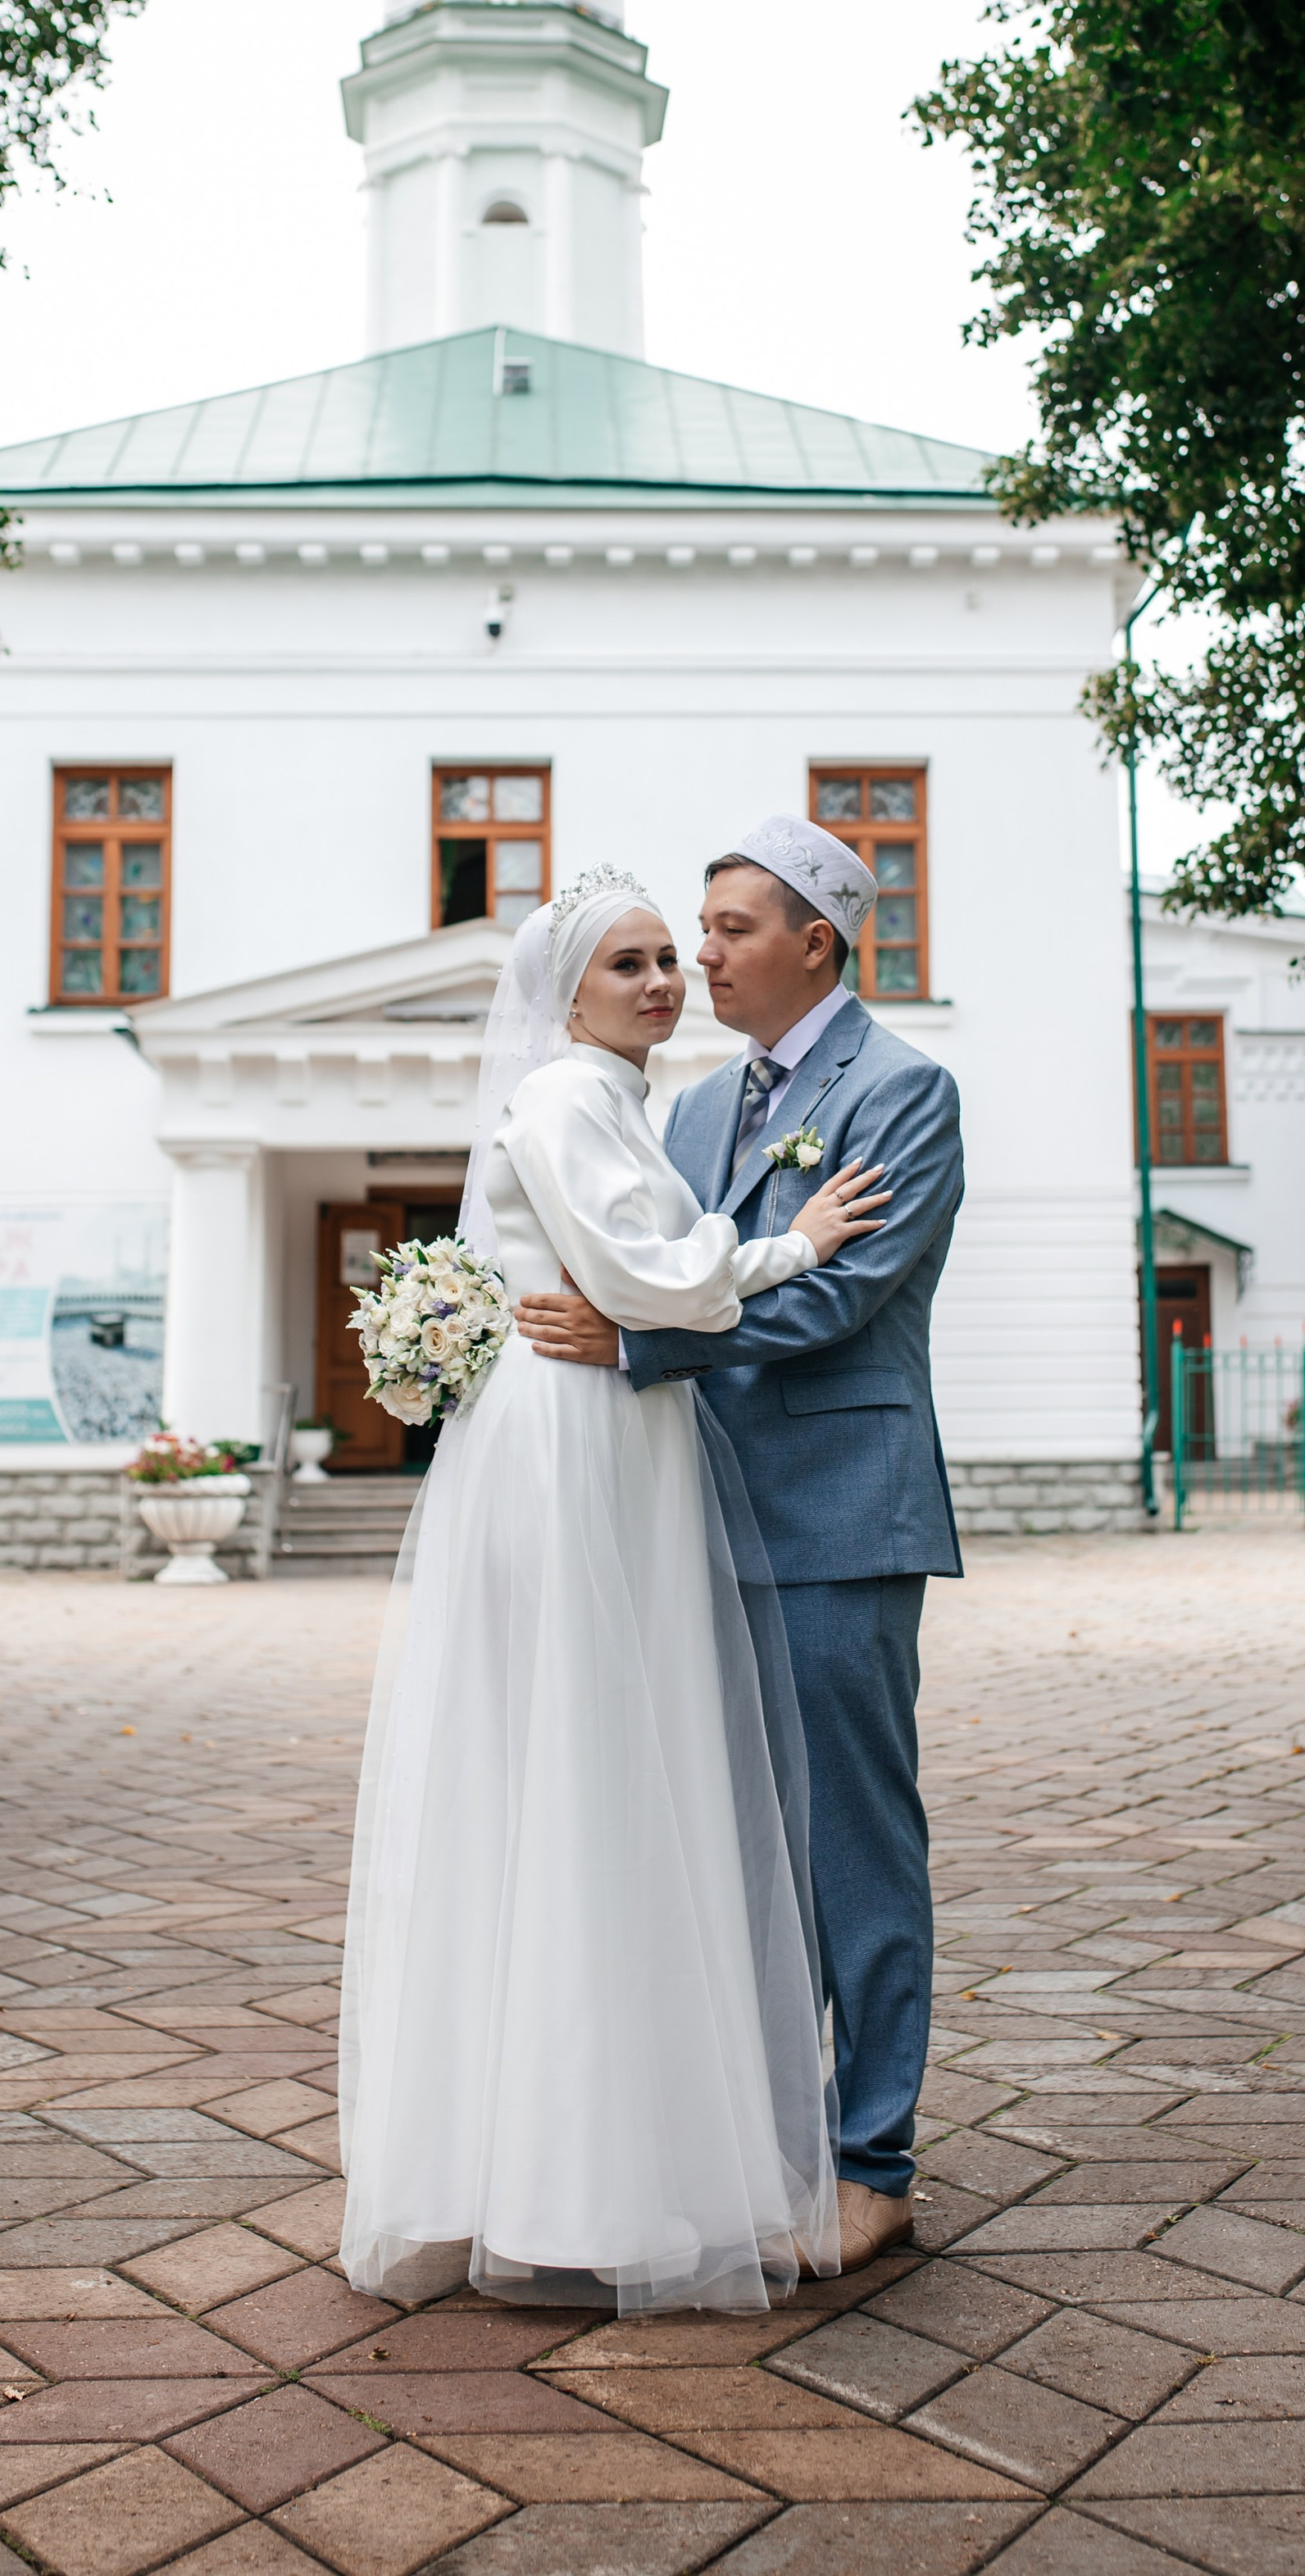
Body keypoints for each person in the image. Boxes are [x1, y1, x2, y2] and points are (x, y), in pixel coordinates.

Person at [338, 865, 892, 2315]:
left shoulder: (612, 1100)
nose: (664, 978)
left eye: (671, 956)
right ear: (567, 992)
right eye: (630, 961)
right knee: (585, 1767)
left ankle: (583, 2156)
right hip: (576, 1440)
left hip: (616, 1433)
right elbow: (649, 1277)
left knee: (604, 1766)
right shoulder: (568, 1100)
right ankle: (568, 2180)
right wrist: (797, 1242)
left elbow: (631, 1277)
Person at [515, 817, 965, 2274]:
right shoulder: (695, 1107)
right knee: (731, 1849)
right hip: (693, 1511)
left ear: (814, 943)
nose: (698, 958)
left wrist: (634, 1346)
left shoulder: (904, 1091)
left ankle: (873, 2158)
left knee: (852, 1842)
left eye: (726, 930)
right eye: (689, 934)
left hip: (839, 1512)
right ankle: (760, 2144)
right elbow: (657, 1265)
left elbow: (836, 1297)